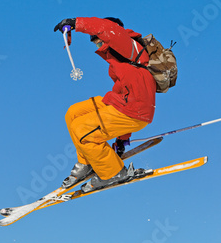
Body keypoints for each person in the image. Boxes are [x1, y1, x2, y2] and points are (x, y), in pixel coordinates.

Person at [53, 17, 157, 193]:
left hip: (135, 110)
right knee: (74, 113)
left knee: (83, 129)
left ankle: (113, 173)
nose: (96, 44)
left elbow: (107, 28)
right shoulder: (119, 61)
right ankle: (87, 162)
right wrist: (122, 139)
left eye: (96, 40)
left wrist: (75, 23)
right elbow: (121, 95)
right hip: (124, 104)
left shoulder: (126, 43)